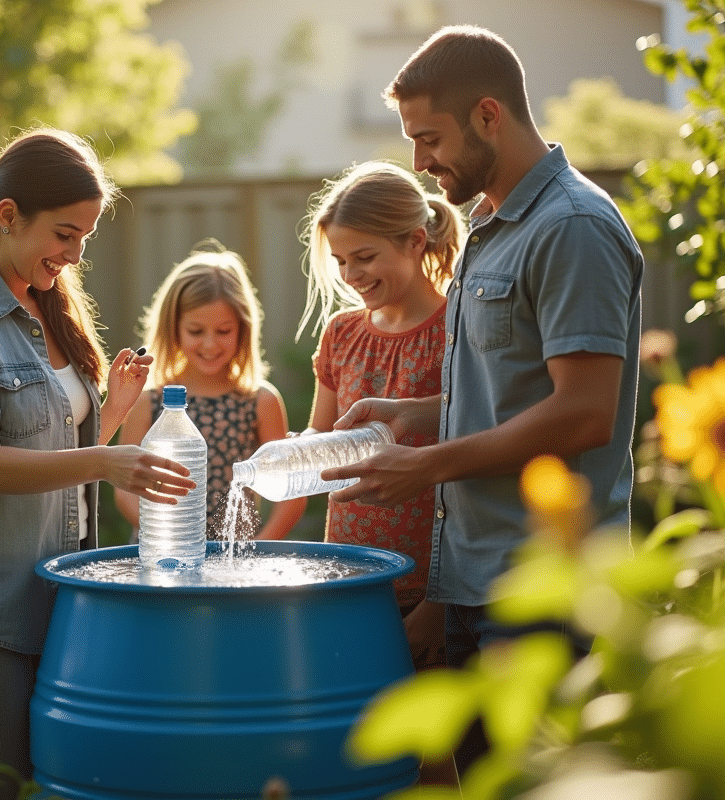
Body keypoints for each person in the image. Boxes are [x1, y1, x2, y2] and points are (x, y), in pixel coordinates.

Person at [323, 26, 644, 775]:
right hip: (471, 581)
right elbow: (507, 395)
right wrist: (415, 416)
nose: (419, 162)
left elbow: (583, 412)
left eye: (429, 139)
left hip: (543, 588)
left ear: (489, 116)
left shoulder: (573, 227)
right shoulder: (487, 228)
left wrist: (426, 465)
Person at [0, 127, 196, 800]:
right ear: (8, 215)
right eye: (65, 234)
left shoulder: (50, 307)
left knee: (59, 785)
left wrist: (109, 412)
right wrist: (105, 459)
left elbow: (52, 452)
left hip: (57, 595)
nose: (75, 253)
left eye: (84, 237)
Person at [297, 160, 464, 670]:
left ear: (415, 241)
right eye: (341, 261)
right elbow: (321, 432)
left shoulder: (457, 328)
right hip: (349, 575)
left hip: (431, 585)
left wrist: (440, 601)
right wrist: (295, 449)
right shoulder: (341, 333)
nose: (351, 276)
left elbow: (473, 470)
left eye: (365, 258)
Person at [115, 241, 307, 541]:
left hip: (235, 560)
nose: (210, 344)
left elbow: (291, 494)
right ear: (173, 328)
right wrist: (170, 536)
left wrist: (256, 551)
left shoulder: (261, 401)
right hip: (163, 553)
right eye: (196, 331)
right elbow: (125, 489)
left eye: (223, 331)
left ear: (243, 329)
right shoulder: (149, 401)